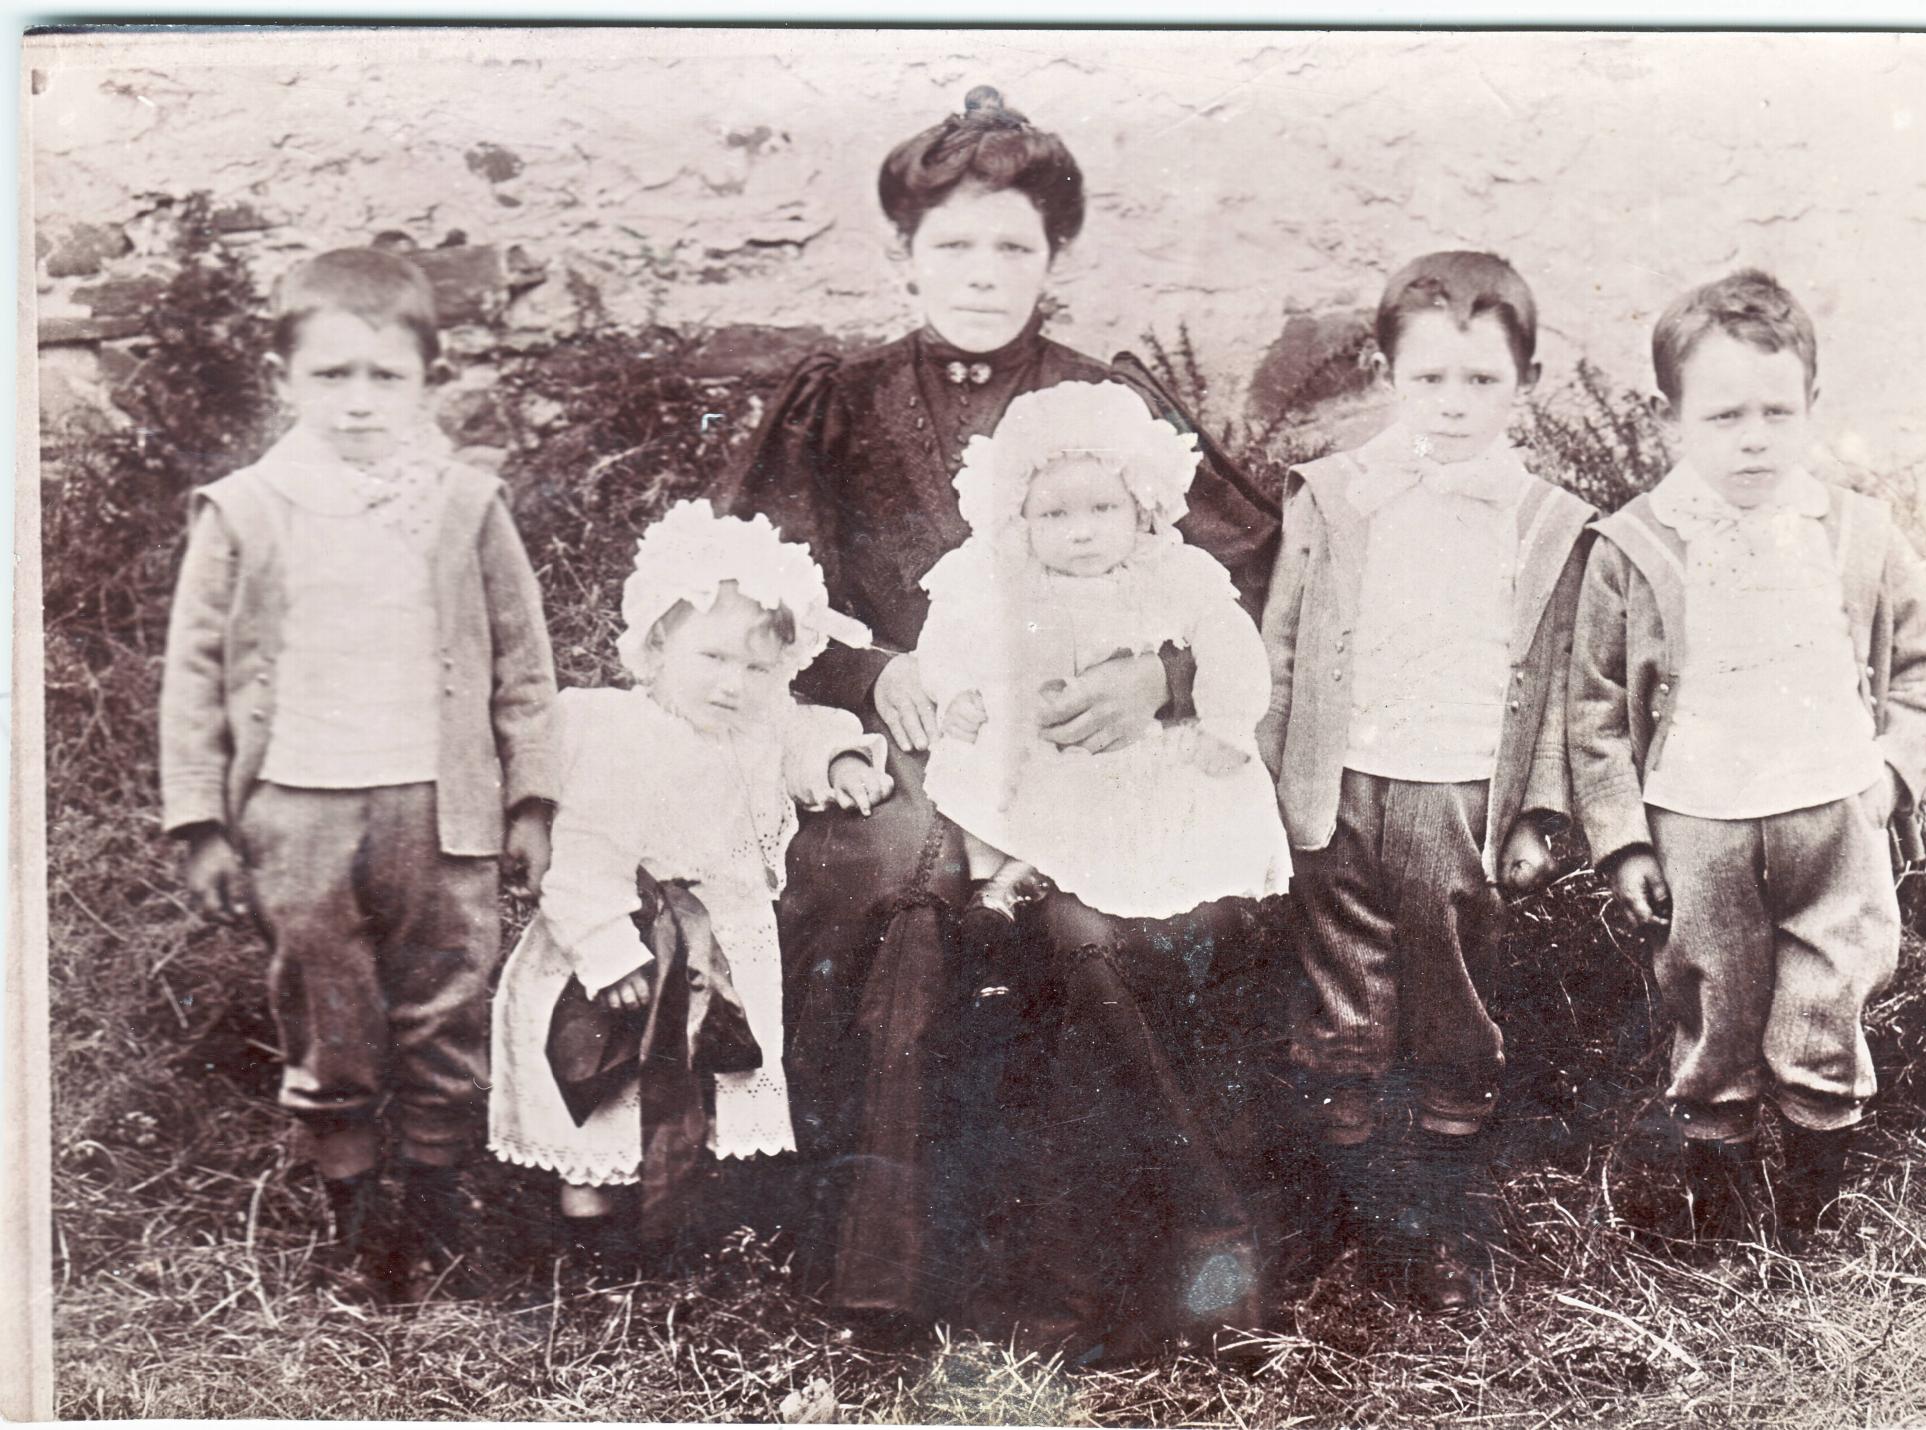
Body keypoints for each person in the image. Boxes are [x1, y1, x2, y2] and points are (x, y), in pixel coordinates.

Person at [719, 85, 1286, 1348]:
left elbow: (1241, 574)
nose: (983, 273)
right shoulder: (840, 401)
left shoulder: (1106, 403)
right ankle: (888, 1264)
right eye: (954, 245)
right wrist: (867, 674)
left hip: (1090, 737)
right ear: (904, 256)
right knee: (902, 876)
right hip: (903, 731)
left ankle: (1125, 1258)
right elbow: (757, 584)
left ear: (1055, 259)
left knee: (1102, 914)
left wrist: (1161, 678)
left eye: (1014, 247)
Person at [158, 246, 561, 1303]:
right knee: (326, 1006)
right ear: (284, 378)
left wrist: (530, 799)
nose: (358, 400)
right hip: (296, 808)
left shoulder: (465, 503)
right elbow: (194, 674)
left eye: (386, 376)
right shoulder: (247, 508)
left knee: (446, 1000)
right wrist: (201, 822)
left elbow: (522, 662)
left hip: (438, 804)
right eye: (330, 374)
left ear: (430, 380)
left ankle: (433, 1206)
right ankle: (356, 1220)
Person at [1568, 269, 1926, 1251]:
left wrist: (1890, 773)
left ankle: (1808, 1223)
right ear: (1668, 421)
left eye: (1776, 412)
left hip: (1832, 814)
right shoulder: (1635, 546)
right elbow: (1593, 708)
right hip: (1697, 818)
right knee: (1713, 1002)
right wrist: (1624, 841)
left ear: (1811, 407)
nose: (1753, 438)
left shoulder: (1856, 532)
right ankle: (1722, 1219)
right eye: (1723, 415)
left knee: (1826, 1002)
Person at [1259, 251, 1595, 1313]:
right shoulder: (1336, 495)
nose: (1453, 404)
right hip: (1340, 781)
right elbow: (1282, 643)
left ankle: (1441, 1210)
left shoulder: (1543, 520)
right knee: (1341, 985)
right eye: (1429, 379)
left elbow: (1560, 678)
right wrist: (1266, 776)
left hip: (1462, 789)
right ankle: (1356, 1206)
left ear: (1525, 382)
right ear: (1384, 374)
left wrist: (1539, 811)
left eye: (1481, 380)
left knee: (1452, 987)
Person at [488, 501, 889, 1290]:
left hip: (723, 945)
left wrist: (839, 761)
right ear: (656, 645)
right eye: (711, 657)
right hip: (632, 942)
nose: (732, 685)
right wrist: (605, 947)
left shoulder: (760, 726)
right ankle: (589, 1234)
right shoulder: (617, 733)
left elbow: (804, 732)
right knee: (609, 1083)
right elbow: (584, 851)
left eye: (756, 669)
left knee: (713, 1078)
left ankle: (683, 1217)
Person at [917, 378, 1289, 927]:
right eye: (1055, 515)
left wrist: (1228, 723)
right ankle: (994, 885)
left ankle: (1039, 881)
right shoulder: (1004, 577)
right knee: (982, 778)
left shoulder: (1170, 572)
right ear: (1020, 517)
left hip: (1135, 749)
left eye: (1102, 508)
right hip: (1035, 746)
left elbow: (1231, 644)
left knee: (1174, 822)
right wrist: (954, 692)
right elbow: (947, 636)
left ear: (1139, 507)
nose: (1081, 533)